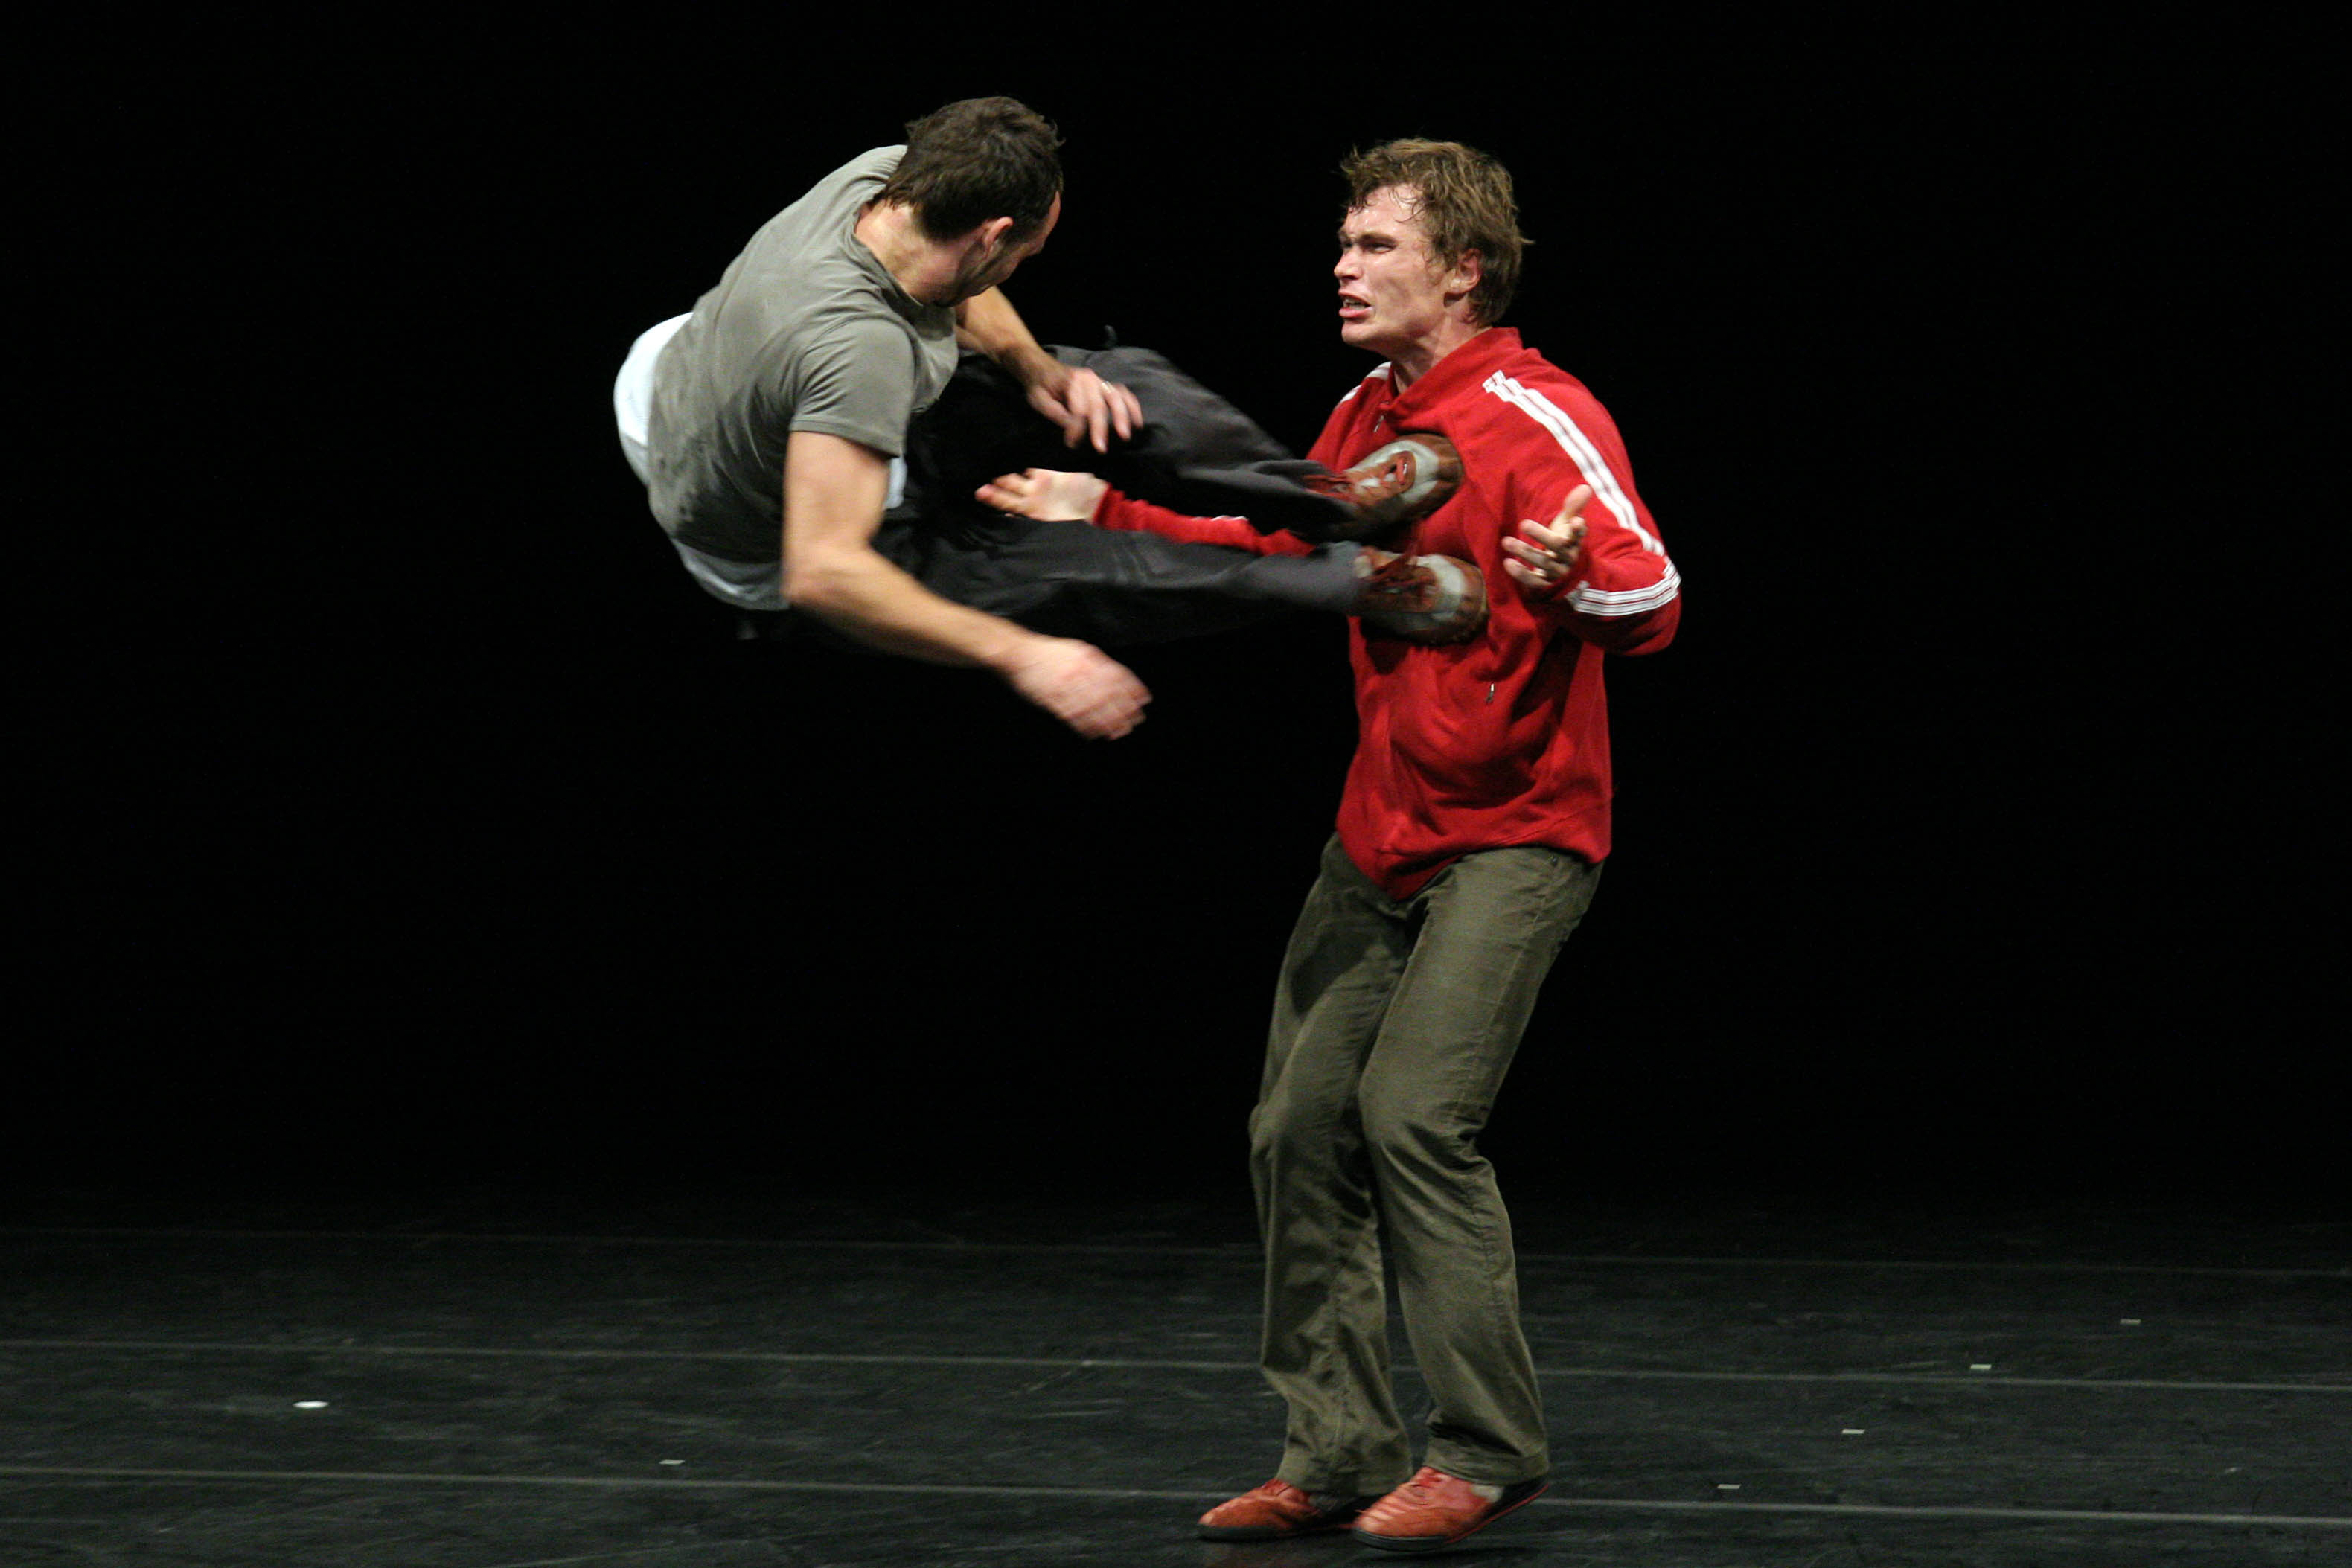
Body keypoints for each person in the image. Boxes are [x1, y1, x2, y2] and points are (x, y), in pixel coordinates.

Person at [982, 138, 1681, 1553]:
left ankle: (1487, 1449)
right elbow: (1283, 542)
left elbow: (1654, 590)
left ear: (1464, 268)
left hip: (1521, 830)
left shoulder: (1540, 413)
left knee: (1414, 1114)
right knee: (1295, 1125)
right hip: (1383, 833)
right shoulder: (1368, 413)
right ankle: (1339, 1445)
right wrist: (1099, 507)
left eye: (1376, 245)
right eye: (1346, 243)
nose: (1344, 266)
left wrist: (1574, 583)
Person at [613, 97, 1484, 740]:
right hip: (798, 537)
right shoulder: (852, 351)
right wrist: (1024, 656)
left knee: (1116, 389)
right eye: (1026, 251)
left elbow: (955, 289)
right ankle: (1354, 581)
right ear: (991, 235)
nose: (1024, 265)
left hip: (804, 398)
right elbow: (821, 571)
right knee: (1097, 571)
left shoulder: (886, 181)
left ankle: (1330, 499)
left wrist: (1035, 373)